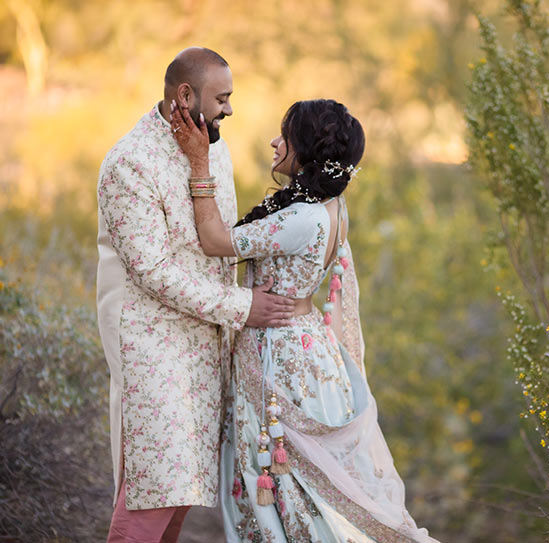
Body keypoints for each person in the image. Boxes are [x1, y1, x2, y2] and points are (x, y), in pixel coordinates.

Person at [171, 98, 439, 542]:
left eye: (286, 136)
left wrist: (200, 165)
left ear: (308, 150)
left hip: (280, 356)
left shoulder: (303, 217)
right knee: (317, 485)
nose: (275, 143)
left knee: (290, 488)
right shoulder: (332, 206)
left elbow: (215, 240)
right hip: (310, 347)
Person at [96, 47, 295, 542]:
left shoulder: (211, 145)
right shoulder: (129, 164)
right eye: (221, 98)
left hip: (207, 344)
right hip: (153, 345)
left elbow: (218, 240)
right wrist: (244, 308)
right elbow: (154, 272)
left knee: (181, 491)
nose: (229, 109)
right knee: (152, 493)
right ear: (184, 95)